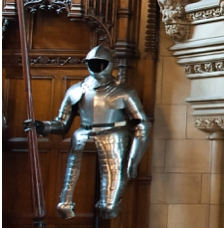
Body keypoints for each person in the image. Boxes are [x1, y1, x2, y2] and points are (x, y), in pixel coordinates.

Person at [23, 45, 151, 219]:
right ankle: (67, 202)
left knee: (109, 208)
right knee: (64, 205)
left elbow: (142, 124)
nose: (96, 67)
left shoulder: (123, 90)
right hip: (82, 136)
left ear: (109, 64)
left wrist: (133, 160)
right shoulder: (77, 90)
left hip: (113, 137)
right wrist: (43, 126)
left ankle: (108, 204)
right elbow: (62, 124)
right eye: (92, 63)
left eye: (100, 63)